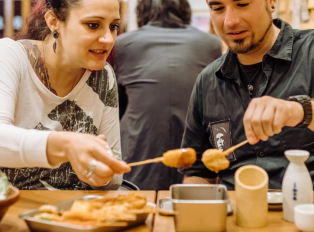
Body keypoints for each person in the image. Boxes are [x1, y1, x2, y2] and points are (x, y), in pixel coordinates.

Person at [181, 0, 314, 190]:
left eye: (242, 4)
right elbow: (198, 174)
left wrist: (299, 110)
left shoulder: (310, 51)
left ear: (271, 2)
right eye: (218, 8)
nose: (229, 21)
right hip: (234, 215)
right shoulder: (207, 81)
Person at [0, 0, 131, 190]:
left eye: (113, 27)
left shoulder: (103, 75)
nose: (108, 39)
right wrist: (66, 145)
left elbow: (113, 179)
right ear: (53, 21)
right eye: (93, 25)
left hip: (71, 214)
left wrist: (100, 173)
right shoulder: (10, 56)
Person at [114, 0, 222, 190]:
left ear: (141, 12)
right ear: (185, 10)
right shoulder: (211, 44)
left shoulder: (123, 44)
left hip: (138, 160)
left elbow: (117, 109)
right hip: (196, 162)